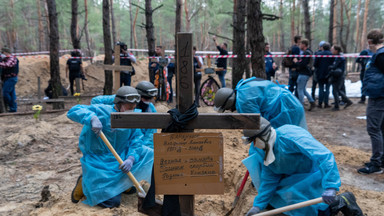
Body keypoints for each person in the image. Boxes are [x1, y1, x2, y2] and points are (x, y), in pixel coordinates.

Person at [243, 117, 363, 216]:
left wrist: (331, 186)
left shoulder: (290, 136)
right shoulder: (264, 151)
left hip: (314, 173)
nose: (253, 145)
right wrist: (258, 206)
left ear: (263, 136)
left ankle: (343, 200)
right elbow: (269, 179)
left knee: (321, 211)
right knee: (277, 201)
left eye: (253, 141)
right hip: (294, 177)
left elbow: (324, 156)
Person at [68, 86, 153, 207]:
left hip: (121, 156)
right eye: (129, 107)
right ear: (119, 103)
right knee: (112, 202)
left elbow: (136, 140)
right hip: (100, 161)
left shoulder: (132, 118)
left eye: (134, 108)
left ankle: (122, 184)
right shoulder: (102, 111)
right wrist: (91, 118)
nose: (131, 111)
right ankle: (84, 183)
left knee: (148, 153)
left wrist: (131, 158)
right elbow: (74, 110)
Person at [213, 77, 307, 155]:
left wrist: (257, 151)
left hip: (285, 110)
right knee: (292, 140)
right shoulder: (242, 88)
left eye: (227, 108)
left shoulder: (243, 103)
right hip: (289, 101)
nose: (229, 110)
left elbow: (257, 128)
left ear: (229, 103)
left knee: (286, 142)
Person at [358, 29, 384, 174]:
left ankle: (375, 164)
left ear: (370, 41)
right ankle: (381, 160)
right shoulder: (380, 55)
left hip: (378, 97)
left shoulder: (380, 56)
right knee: (381, 128)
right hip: (379, 95)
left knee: (374, 129)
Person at [293, 38, 316, 111]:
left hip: (304, 73)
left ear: (304, 45)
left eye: (300, 44)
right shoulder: (308, 52)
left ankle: (301, 106)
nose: (299, 46)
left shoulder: (306, 53)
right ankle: (312, 102)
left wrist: (296, 62)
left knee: (299, 89)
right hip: (305, 73)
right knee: (303, 89)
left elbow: (302, 64)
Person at [329, 45, 353, 111]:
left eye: (332, 50)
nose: (331, 51)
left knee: (335, 91)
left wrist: (330, 67)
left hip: (339, 76)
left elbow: (334, 66)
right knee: (338, 90)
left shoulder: (339, 57)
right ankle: (347, 101)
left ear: (336, 50)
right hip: (338, 75)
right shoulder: (338, 56)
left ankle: (337, 106)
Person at [135, 81, 158, 148]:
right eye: (146, 98)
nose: (148, 101)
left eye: (150, 98)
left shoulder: (151, 109)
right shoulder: (130, 108)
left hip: (146, 147)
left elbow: (151, 133)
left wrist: (145, 148)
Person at [314, 42, 334, 108]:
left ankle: (320, 103)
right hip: (329, 74)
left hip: (320, 74)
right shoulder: (332, 55)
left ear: (322, 47)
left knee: (321, 88)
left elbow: (315, 64)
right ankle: (326, 103)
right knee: (327, 89)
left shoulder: (318, 54)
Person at [0, 47, 19, 112]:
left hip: (11, 78)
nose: (2, 54)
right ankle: (13, 108)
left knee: (5, 93)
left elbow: (7, 65)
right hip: (8, 78)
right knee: (12, 94)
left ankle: (11, 105)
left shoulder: (12, 58)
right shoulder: (6, 58)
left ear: (6, 52)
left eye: (3, 52)